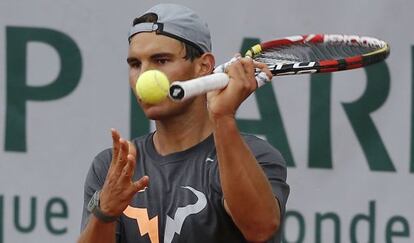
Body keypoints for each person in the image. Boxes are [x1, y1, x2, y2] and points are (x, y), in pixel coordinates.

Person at [78, 3, 289, 243]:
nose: (144, 78)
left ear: (203, 66)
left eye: (161, 60)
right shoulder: (111, 166)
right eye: (135, 64)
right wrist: (104, 214)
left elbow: (261, 229)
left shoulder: (258, 156)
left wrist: (223, 116)